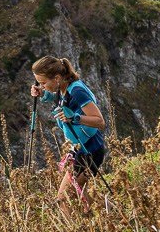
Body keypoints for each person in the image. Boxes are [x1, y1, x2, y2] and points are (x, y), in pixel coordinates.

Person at [30, 56, 106, 216]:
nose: (41, 85)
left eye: (43, 83)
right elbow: (59, 97)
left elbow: (100, 121)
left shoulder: (77, 91)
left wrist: (75, 118)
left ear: (57, 78)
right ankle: (109, 218)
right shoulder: (63, 87)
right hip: (82, 149)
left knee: (63, 199)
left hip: (90, 151)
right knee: (81, 194)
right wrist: (43, 93)